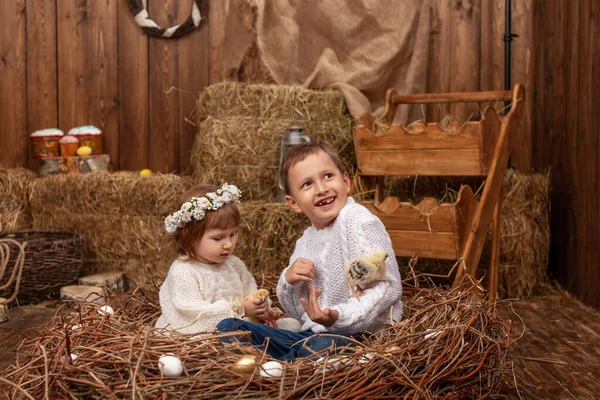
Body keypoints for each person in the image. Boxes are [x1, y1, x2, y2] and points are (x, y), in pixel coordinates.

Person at [217, 142, 403, 361]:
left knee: (317, 346)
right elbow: (298, 311)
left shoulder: (359, 222)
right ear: (293, 203)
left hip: (362, 336)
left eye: (327, 176)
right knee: (229, 327)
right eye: (307, 184)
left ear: (345, 181)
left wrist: (338, 316)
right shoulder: (305, 241)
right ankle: (290, 359)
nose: (321, 189)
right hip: (312, 334)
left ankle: (283, 364)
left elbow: (388, 288)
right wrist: (289, 281)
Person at [155, 183, 270, 335]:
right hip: (199, 333)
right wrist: (241, 309)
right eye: (218, 238)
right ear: (189, 236)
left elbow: (251, 293)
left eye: (233, 234)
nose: (229, 244)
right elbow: (191, 314)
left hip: (240, 327)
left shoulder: (235, 265)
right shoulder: (183, 271)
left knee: (292, 325)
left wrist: (261, 308)